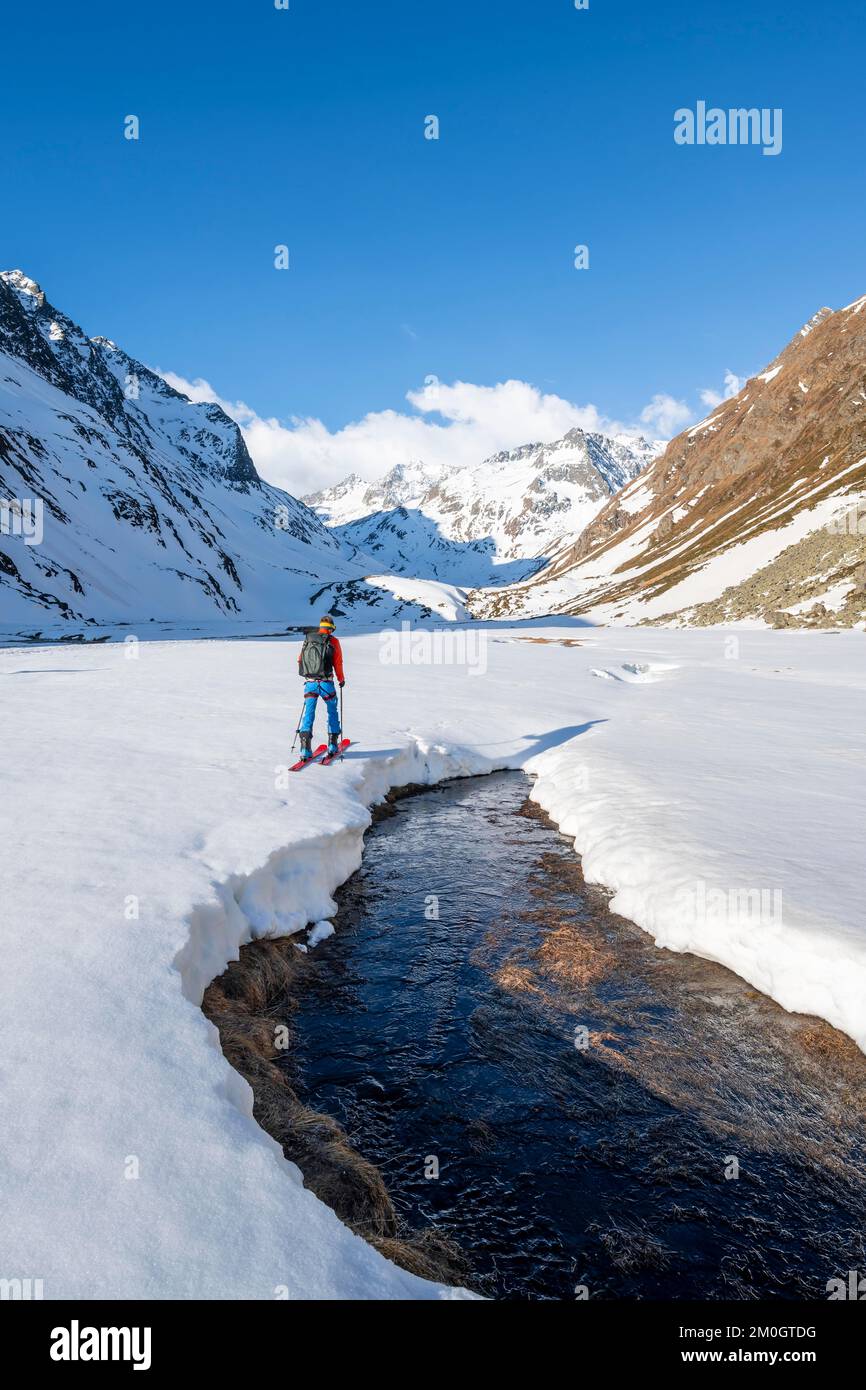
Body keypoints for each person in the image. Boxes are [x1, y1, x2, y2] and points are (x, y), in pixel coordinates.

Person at [296, 615, 345, 760]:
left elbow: (300, 659)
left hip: (310, 683)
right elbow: (338, 663)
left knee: (309, 713)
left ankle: (305, 749)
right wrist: (341, 679)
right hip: (326, 683)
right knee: (332, 711)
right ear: (331, 628)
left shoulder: (309, 639)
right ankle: (332, 745)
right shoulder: (333, 641)